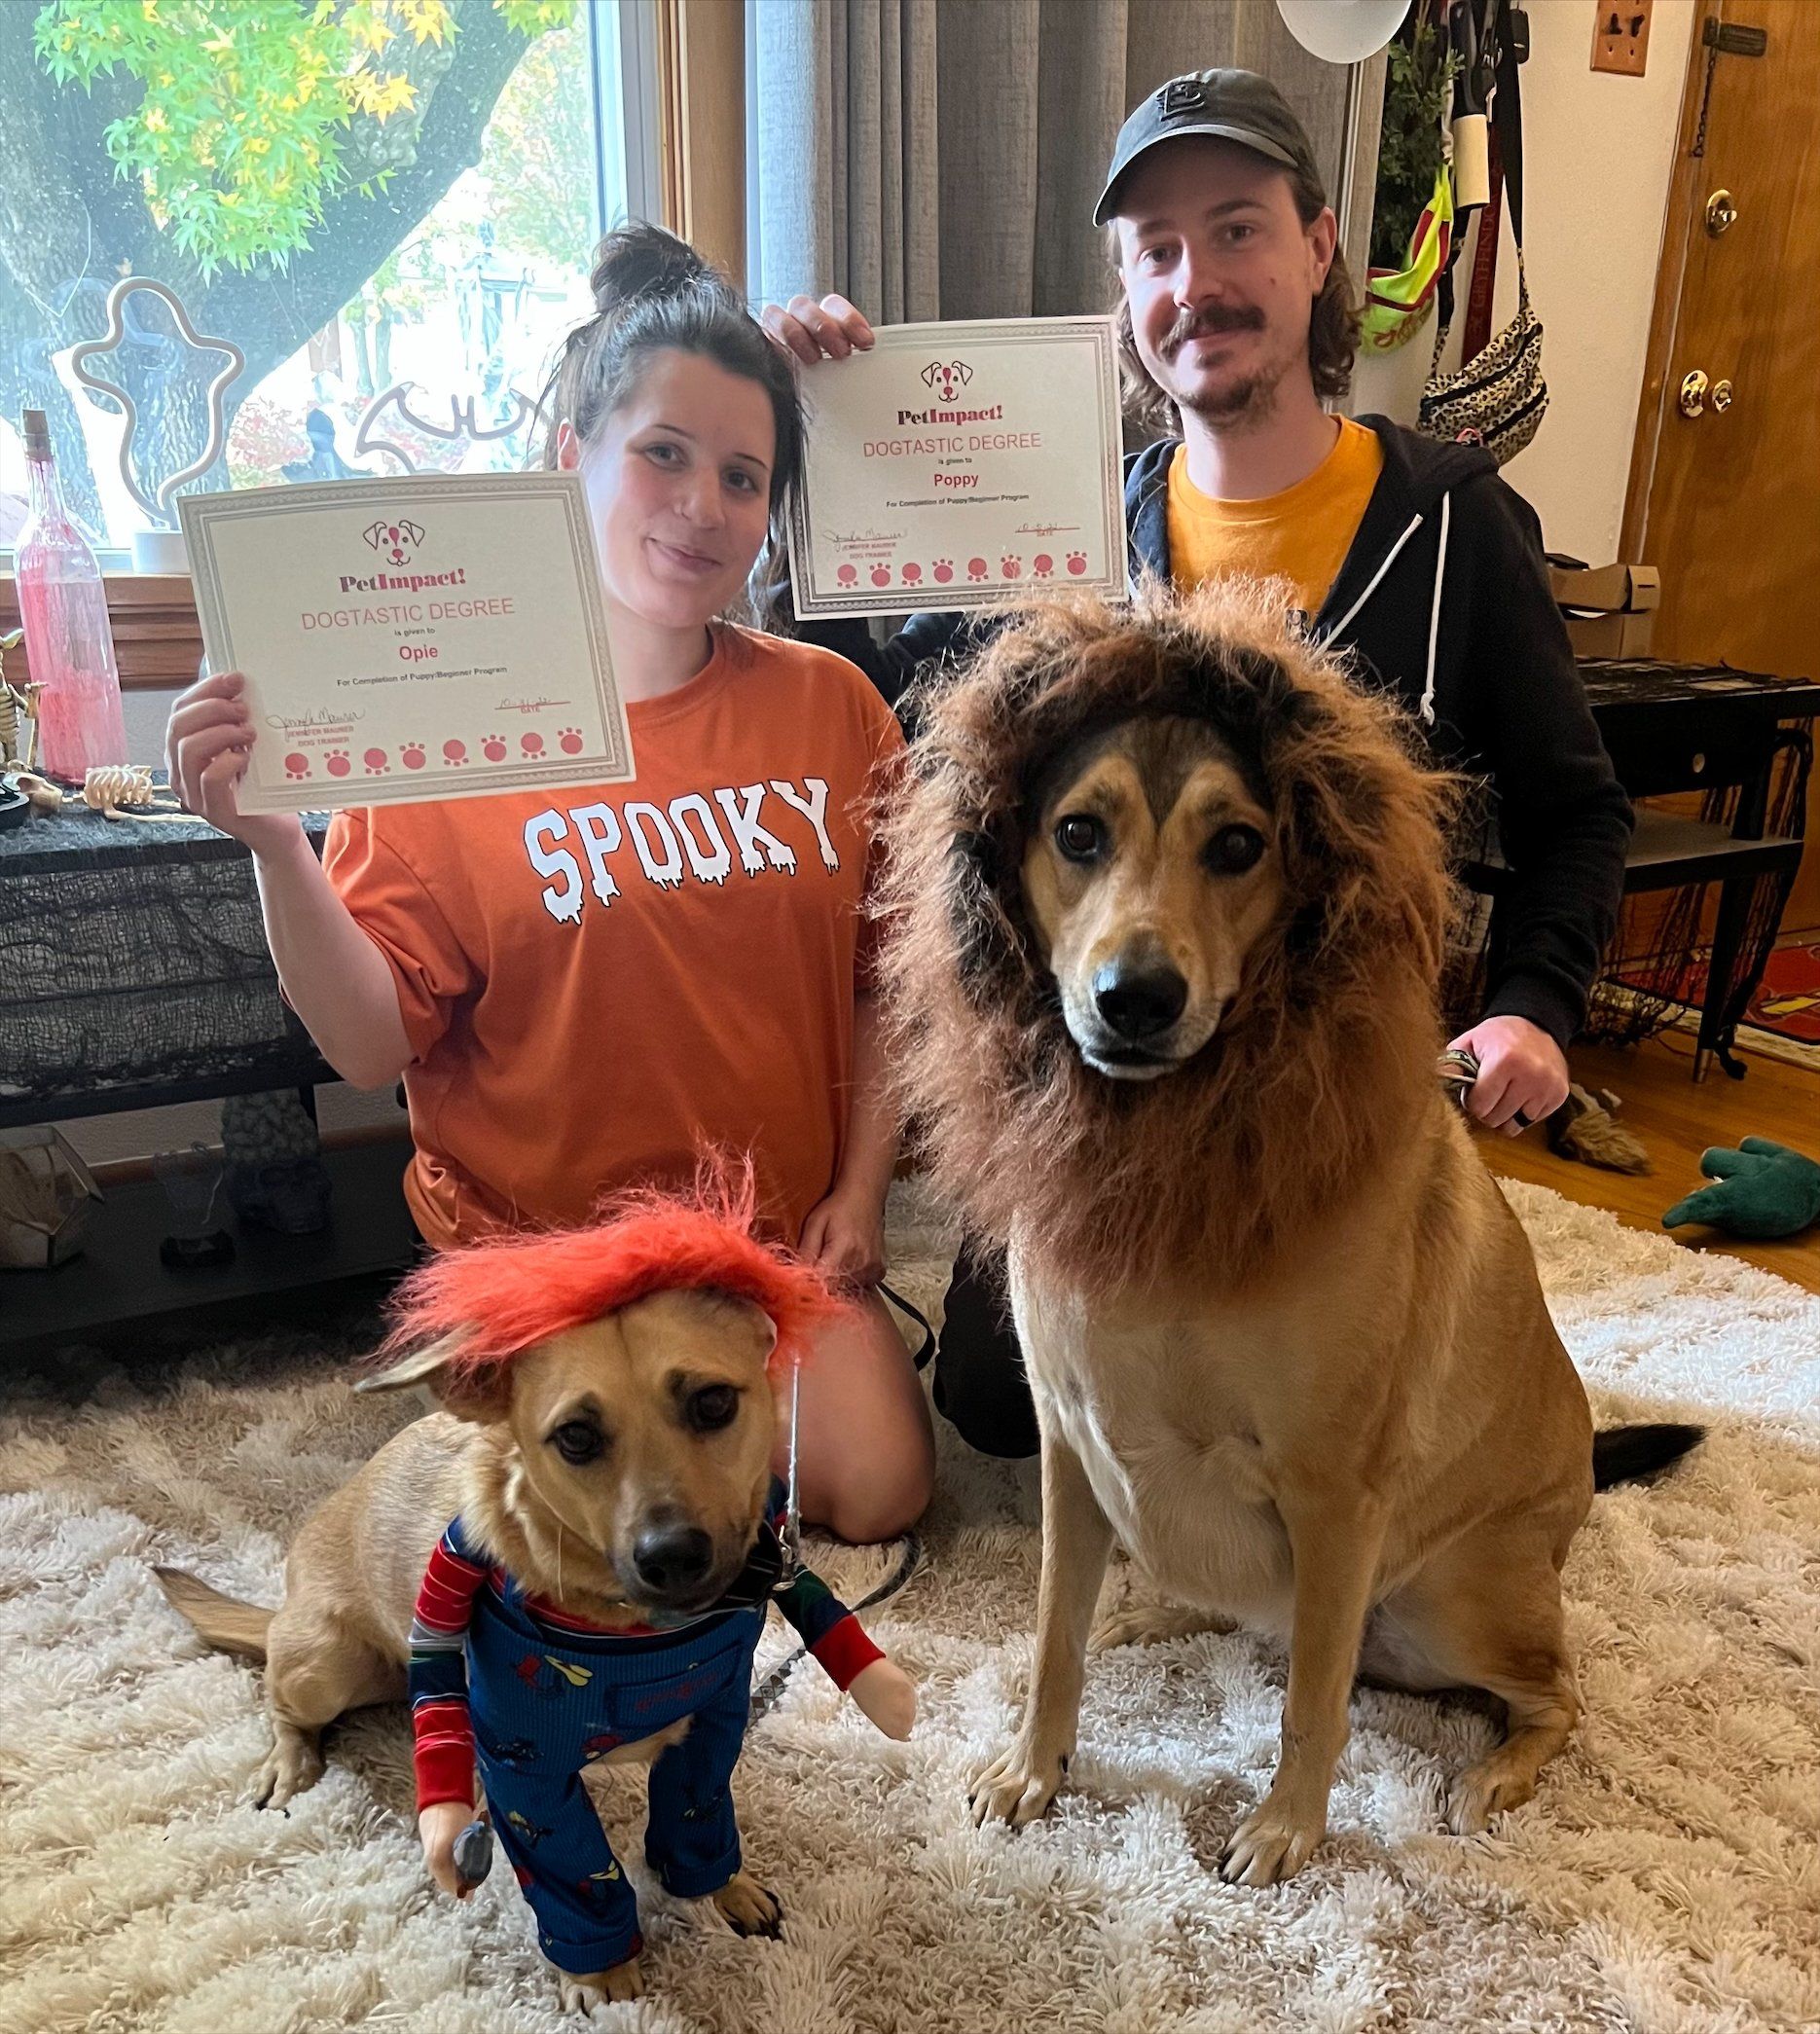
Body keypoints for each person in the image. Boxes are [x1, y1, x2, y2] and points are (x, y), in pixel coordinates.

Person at [766, 68, 1633, 1460]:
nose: (1197, 281)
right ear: (1122, 290)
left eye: (1235, 230)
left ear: (1316, 247)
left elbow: (1578, 810)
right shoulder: (1063, 531)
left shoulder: (1456, 524)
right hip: (1106, 1088)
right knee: (994, 1402)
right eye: (1155, 252)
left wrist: (1533, 1004)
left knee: (1311, 1413)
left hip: (1332, 1089)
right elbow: (873, 712)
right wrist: (806, 435)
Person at [165, 224, 934, 1542]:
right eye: (663, 454)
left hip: (758, 1254)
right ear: (566, 454)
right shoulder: (448, 733)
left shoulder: (831, 707)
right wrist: (276, 847)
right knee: (566, 1527)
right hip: (541, 1261)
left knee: (875, 1492)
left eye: (744, 477)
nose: (702, 504)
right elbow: (364, 1043)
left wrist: (858, 1196)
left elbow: (891, 987)